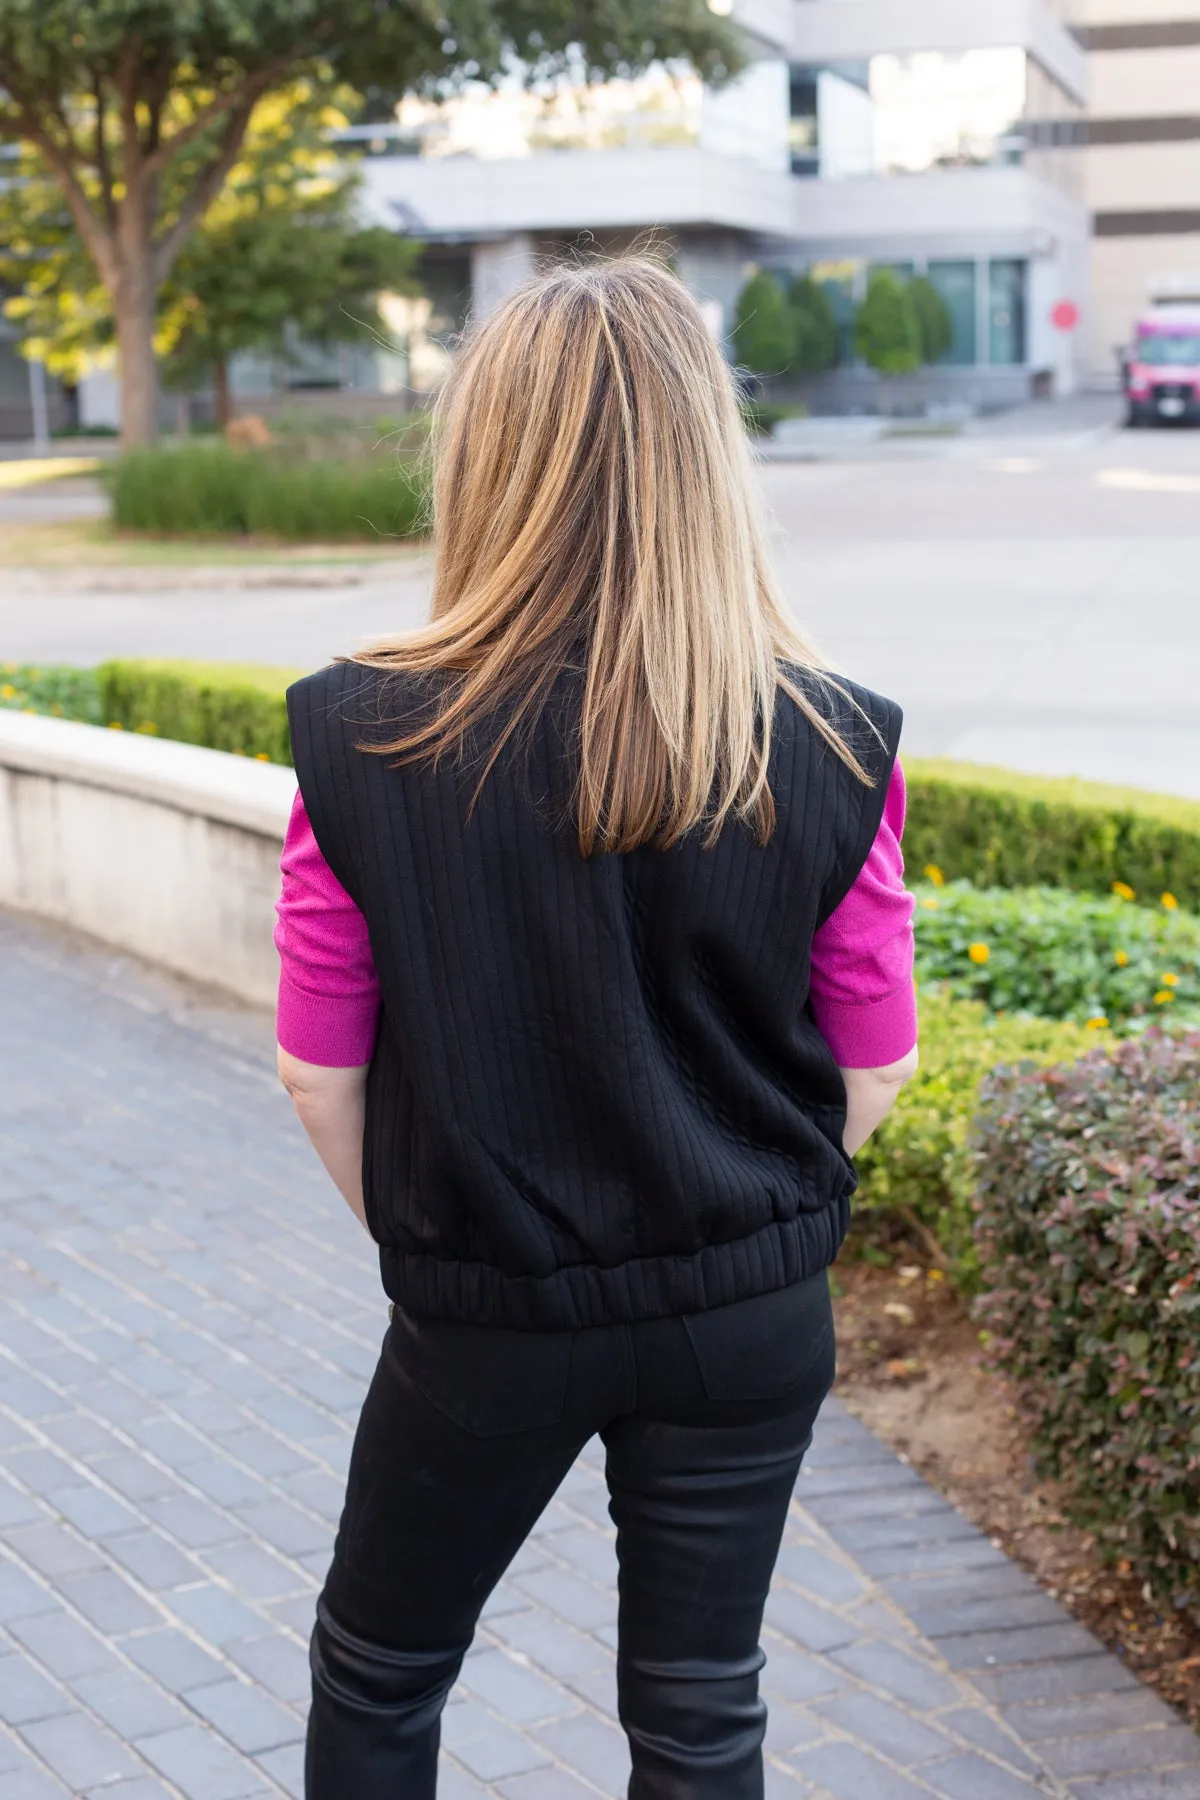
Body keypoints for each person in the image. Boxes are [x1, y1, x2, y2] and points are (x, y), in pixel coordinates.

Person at [274, 258, 918, 1799]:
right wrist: (733, 1208)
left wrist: (457, 1233)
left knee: (380, 1672)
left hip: (488, 1303)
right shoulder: (833, 733)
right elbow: (879, 1067)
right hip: (748, 1311)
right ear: (709, 457)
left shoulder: (362, 730)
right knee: (703, 1714)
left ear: (486, 457)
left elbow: (318, 1069)